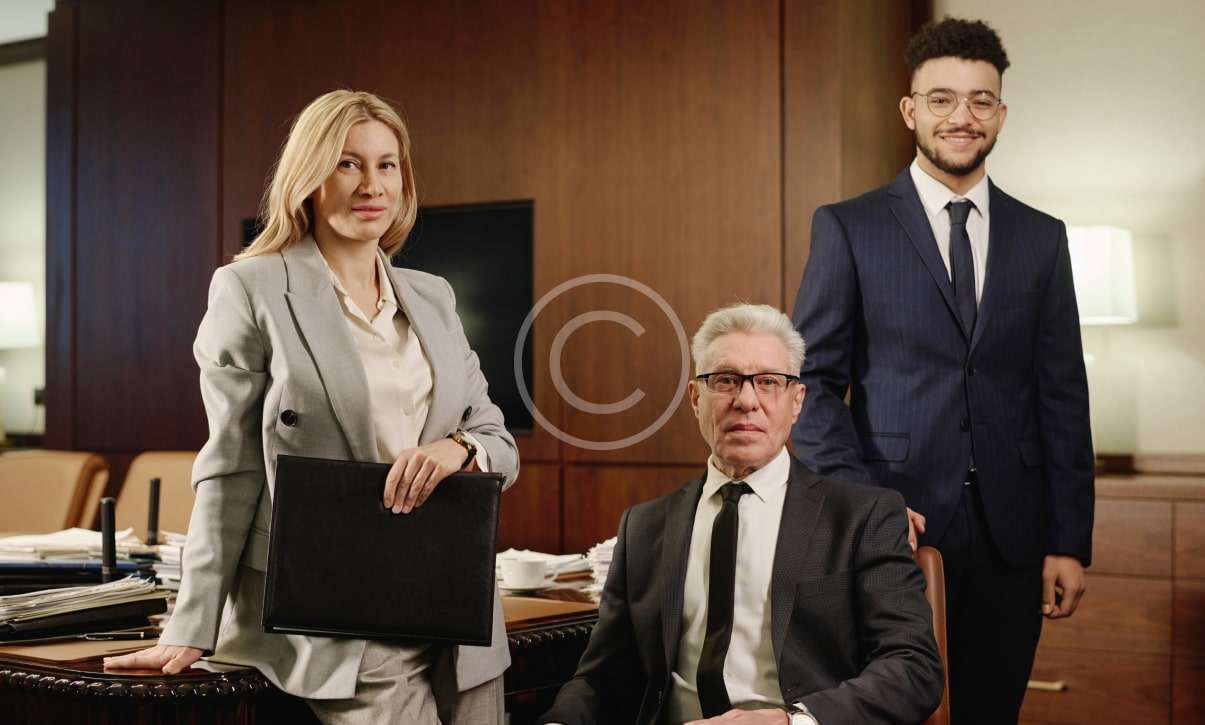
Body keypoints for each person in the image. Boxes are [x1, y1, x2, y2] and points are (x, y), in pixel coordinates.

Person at [104, 90, 519, 724]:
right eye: (348, 164)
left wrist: (457, 448)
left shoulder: (432, 296)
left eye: (386, 165)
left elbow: (497, 439)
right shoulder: (251, 288)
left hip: (455, 602)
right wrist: (192, 624)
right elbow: (231, 469)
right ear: (309, 178)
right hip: (338, 616)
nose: (371, 185)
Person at [789, 17, 1094, 724]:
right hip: (895, 528)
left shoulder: (1042, 237)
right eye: (941, 99)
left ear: (1001, 114)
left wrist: (1067, 541)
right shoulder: (848, 227)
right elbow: (810, 388)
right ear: (910, 110)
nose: (962, 116)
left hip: (1013, 539)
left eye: (980, 100)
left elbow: (1062, 394)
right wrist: (868, 502)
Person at [540, 304, 943, 725]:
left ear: (797, 402)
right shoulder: (644, 527)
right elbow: (602, 678)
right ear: (696, 398)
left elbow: (913, 666)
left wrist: (792, 721)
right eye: (725, 380)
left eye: (768, 382)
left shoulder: (863, 517)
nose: (746, 401)